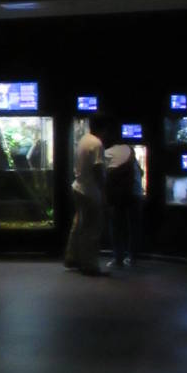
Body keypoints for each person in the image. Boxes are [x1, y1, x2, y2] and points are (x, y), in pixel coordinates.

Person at [65, 114, 107, 274]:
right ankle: (89, 264)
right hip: (90, 191)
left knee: (78, 224)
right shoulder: (97, 144)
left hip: (78, 187)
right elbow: (98, 169)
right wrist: (104, 190)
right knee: (92, 228)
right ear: (102, 128)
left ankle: (72, 257)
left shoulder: (83, 140)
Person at [104, 129, 143, 266]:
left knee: (116, 226)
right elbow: (141, 172)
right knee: (133, 226)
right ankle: (133, 257)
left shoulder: (107, 153)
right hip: (135, 192)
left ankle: (118, 258)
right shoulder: (130, 150)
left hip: (118, 196)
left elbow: (102, 174)